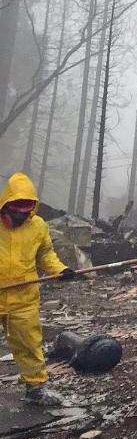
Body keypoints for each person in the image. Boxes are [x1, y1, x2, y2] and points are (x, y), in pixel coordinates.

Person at [0, 173, 75, 405]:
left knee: (29, 345)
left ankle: (35, 389)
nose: (21, 216)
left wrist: (60, 270)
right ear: (7, 204)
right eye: (16, 210)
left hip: (24, 297)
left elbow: (45, 255)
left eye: (26, 211)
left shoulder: (38, 226)